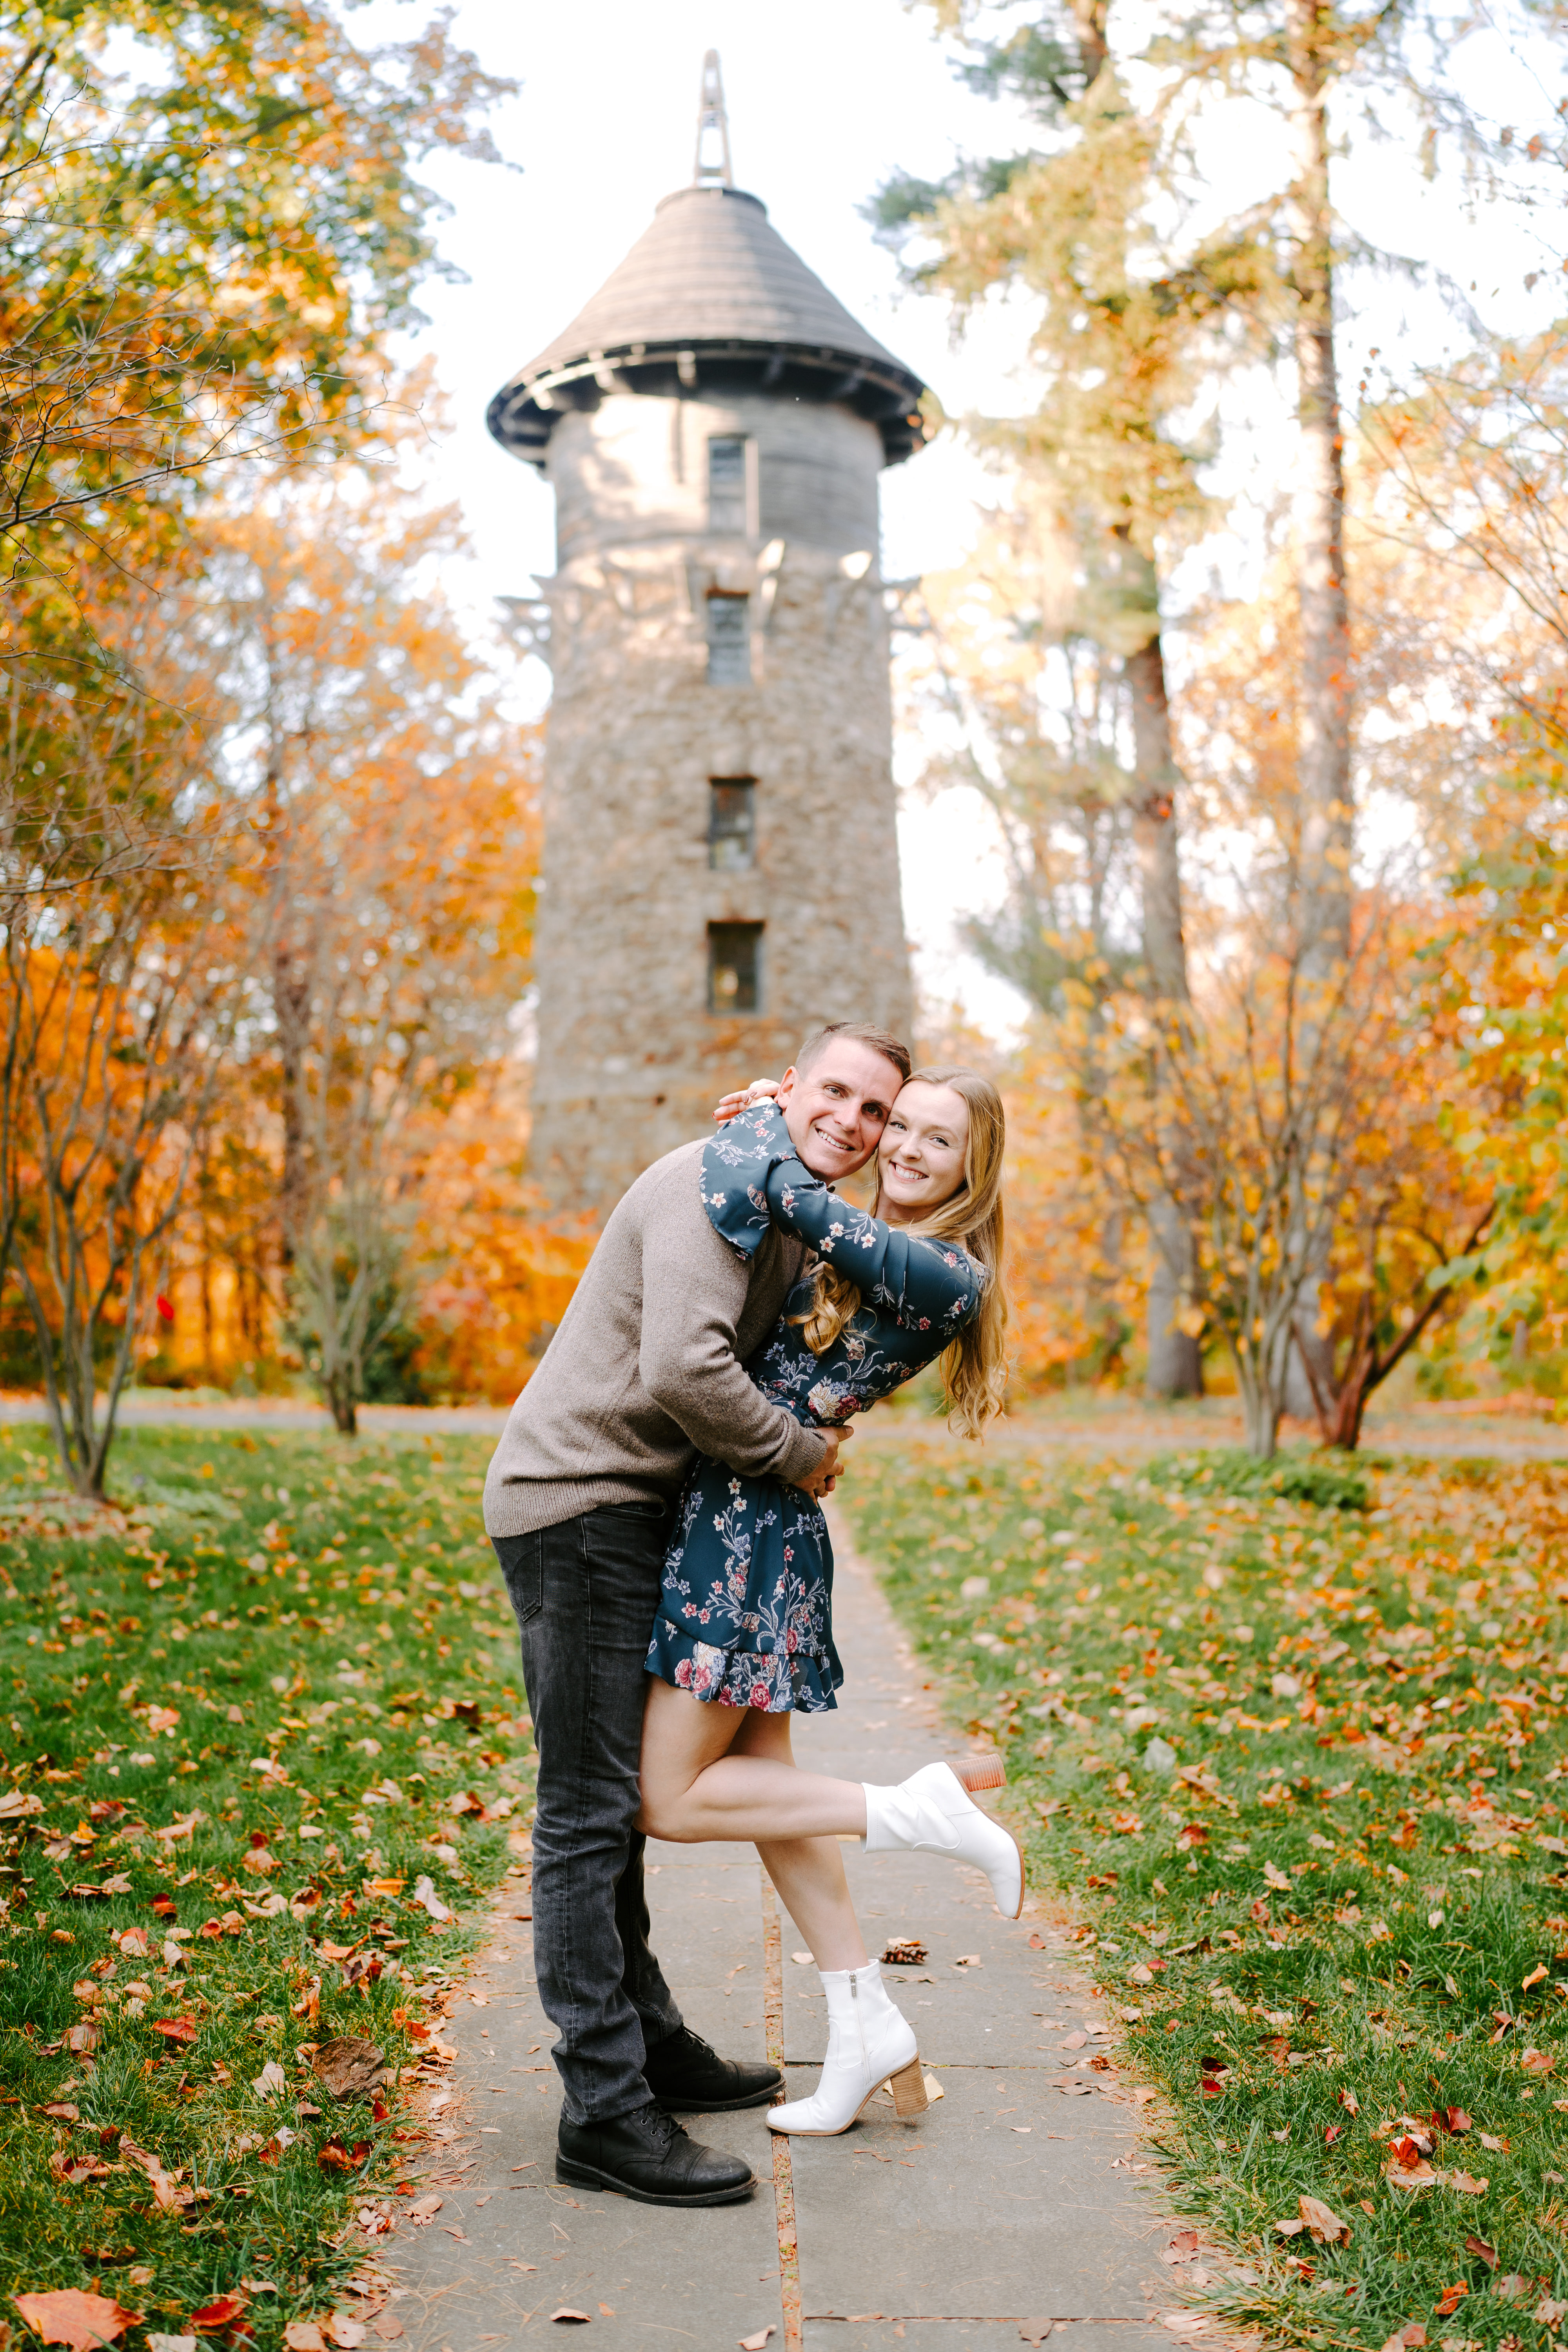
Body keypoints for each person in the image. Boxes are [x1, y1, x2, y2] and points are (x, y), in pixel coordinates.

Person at [483, 1022, 911, 2208]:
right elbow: (683, 1367)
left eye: (874, 1111)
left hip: (630, 1510)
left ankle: (649, 2043)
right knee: (584, 1814)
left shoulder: (774, 1196)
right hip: (576, 1503)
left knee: (612, 1801)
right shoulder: (708, 1185)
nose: (852, 1122)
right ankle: (604, 2112)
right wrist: (799, 1455)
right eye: (835, 1092)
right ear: (791, 1087)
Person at [636, 1065, 1019, 2137]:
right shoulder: (869, 1239)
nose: (900, 1147)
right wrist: (785, 1112)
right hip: (747, 1519)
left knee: (667, 1797)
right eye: (898, 1125)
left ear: (971, 1171)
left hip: (750, 1541)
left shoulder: (946, 1273)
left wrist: (774, 1117)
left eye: (935, 1142)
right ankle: (865, 2026)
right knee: (763, 1792)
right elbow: (802, 1210)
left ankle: (913, 1811)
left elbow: (793, 1198)